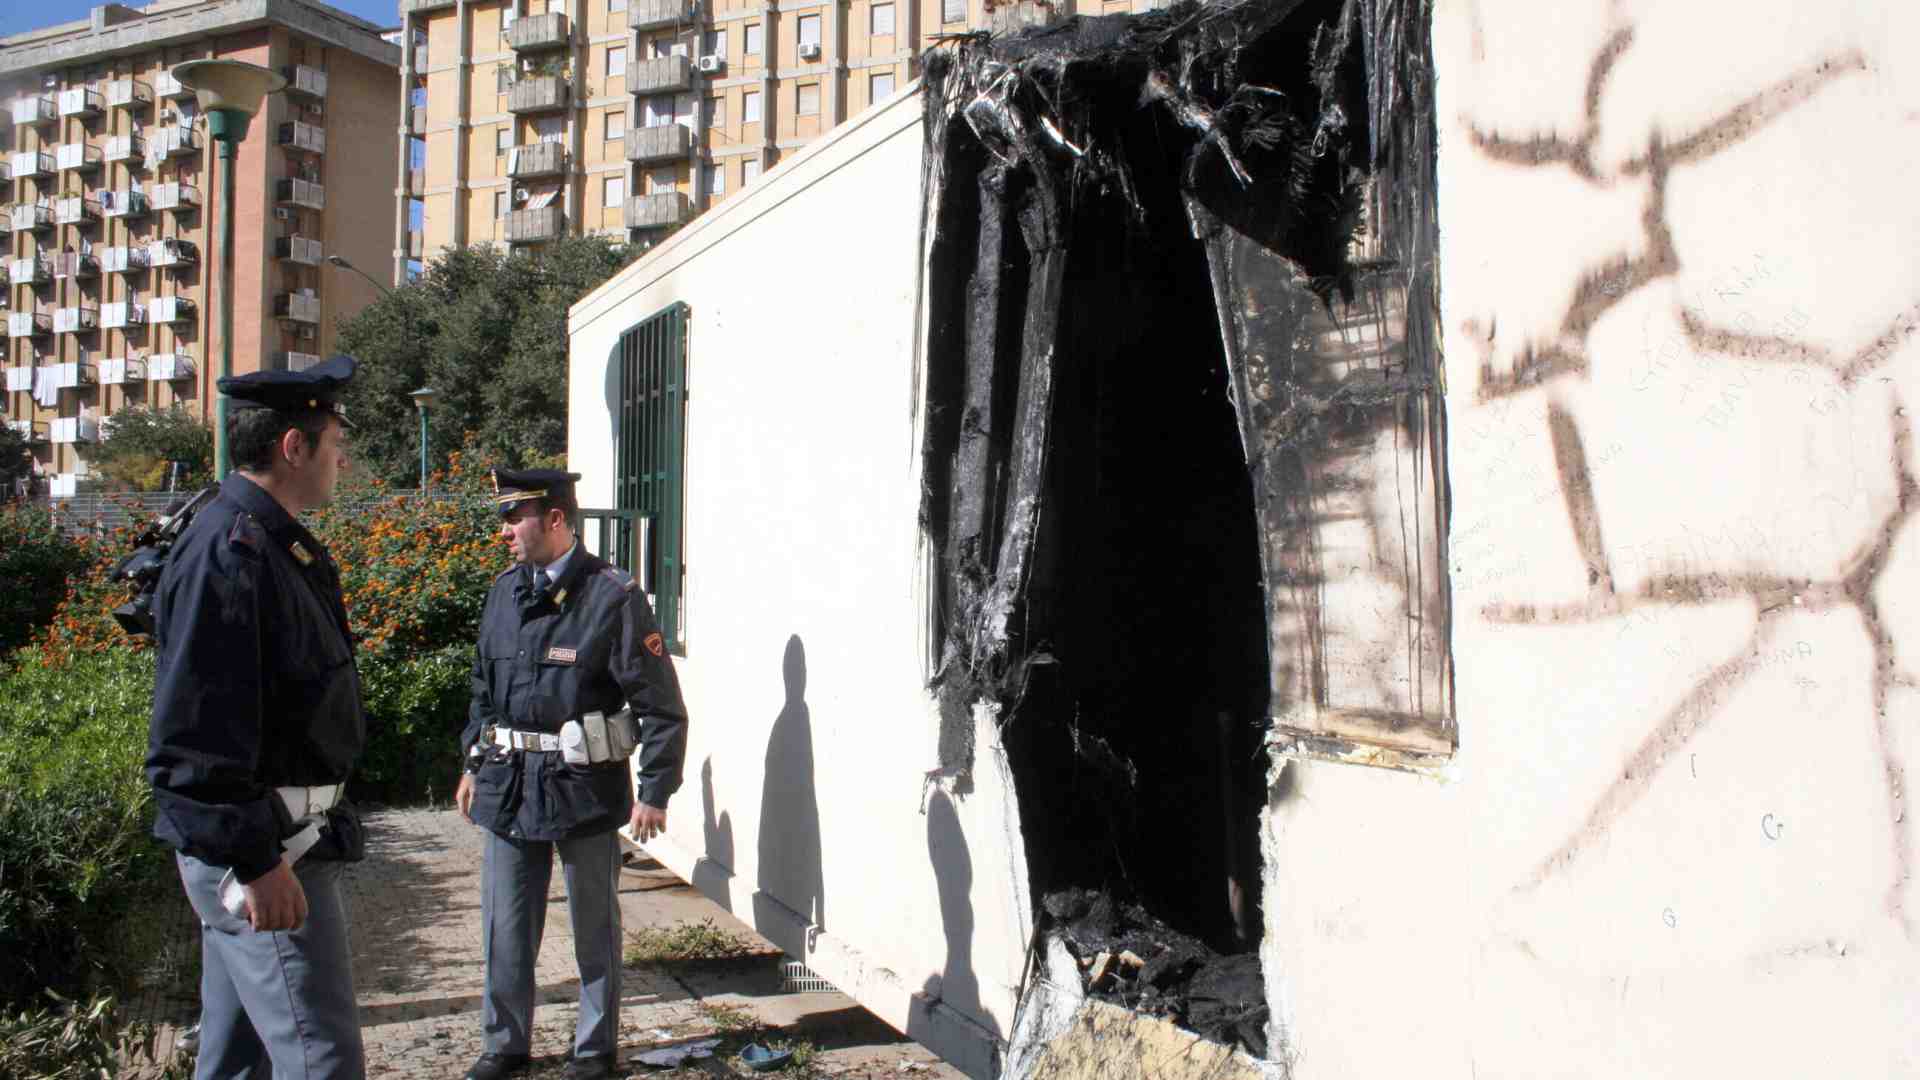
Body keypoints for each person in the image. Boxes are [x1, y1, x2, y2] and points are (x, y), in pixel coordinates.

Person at [146, 355, 368, 1080]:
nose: (342, 455)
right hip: (264, 854)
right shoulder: (231, 552)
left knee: (237, 1062)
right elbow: (196, 733)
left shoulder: (268, 542)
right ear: (293, 447)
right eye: (334, 439)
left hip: (276, 843)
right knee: (321, 1060)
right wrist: (257, 861)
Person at [457, 468, 689, 1080]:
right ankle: (504, 1045)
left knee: (593, 926)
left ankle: (594, 1048)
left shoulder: (612, 597)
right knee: (505, 925)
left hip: (582, 788)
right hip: (508, 786)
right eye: (504, 517)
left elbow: (660, 705)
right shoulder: (504, 592)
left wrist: (655, 790)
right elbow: (483, 689)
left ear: (555, 519)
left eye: (516, 517)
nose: (505, 529)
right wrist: (471, 761)